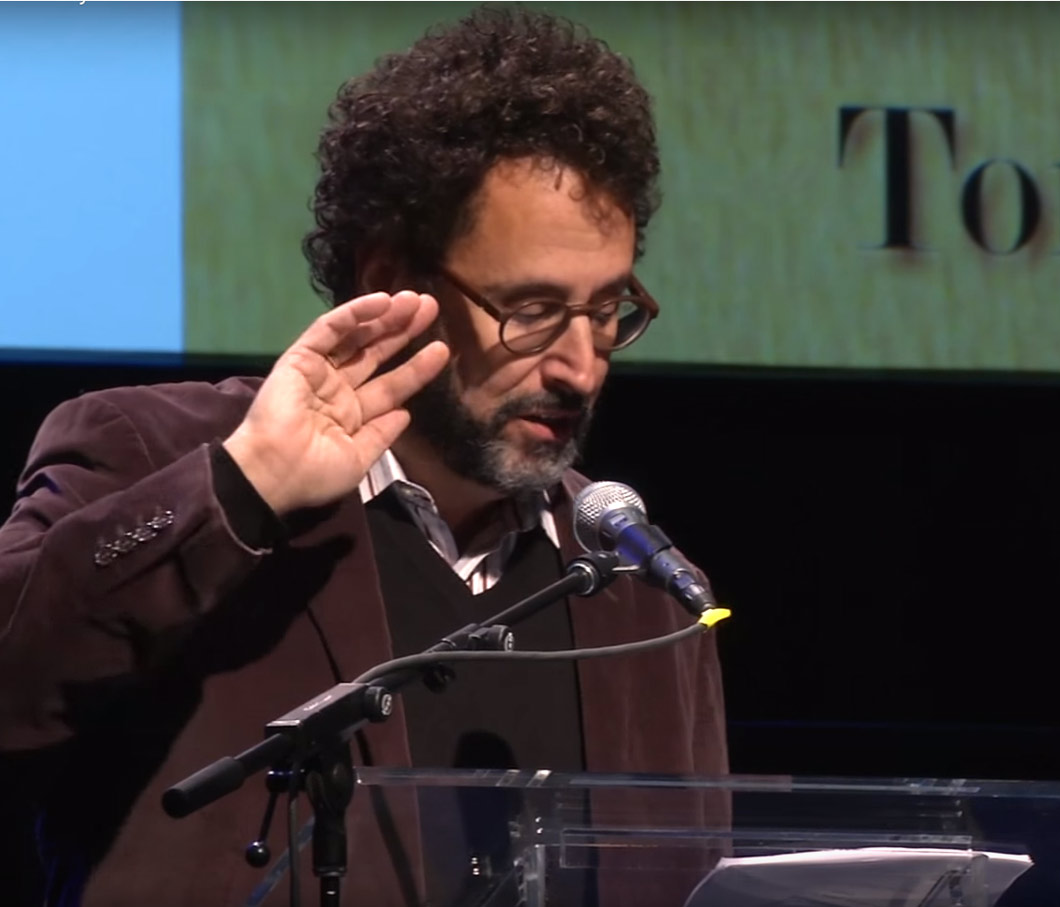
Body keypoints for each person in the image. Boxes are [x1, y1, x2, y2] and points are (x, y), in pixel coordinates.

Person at [0, 8, 729, 907]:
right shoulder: (157, 455)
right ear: (397, 280)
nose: (580, 365)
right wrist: (239, 491)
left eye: (608, 309)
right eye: (533, 310)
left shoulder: (637, 589)